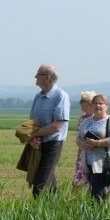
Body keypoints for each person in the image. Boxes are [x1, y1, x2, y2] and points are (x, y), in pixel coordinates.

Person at [27, 63, 70, 197]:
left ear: (47, 78)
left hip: (53, 146)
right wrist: (33, 138)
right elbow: (33, 122)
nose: (35, 77)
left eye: (37, 75)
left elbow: (57, 126)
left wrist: (33, 134)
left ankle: (37, 215)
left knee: (39, 186)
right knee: (49, 183)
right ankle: (58, 210)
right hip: (39, 144)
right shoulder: (38, 97)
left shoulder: (61, 96)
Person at [76, 95, 110, 202]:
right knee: (95, 192)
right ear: (91, 106)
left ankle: (99, 214)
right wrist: (83, 144)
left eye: (101, 103)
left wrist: (97, 143)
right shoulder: (86, 122)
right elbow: (78, 139)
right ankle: (99, 213)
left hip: (103, 163)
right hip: (88, 163)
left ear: (107, 106)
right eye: (95, 103)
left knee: (97, 193)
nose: (97, 105)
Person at [71, 91, 96, 192]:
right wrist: (78, 156)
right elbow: (79, 137)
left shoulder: (100, 118)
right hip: (83, 154)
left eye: (82, 101)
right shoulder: (82, 119)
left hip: (97, 154)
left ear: (89, 103)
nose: (80, 103)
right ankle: (74, 206)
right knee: (77, 183)